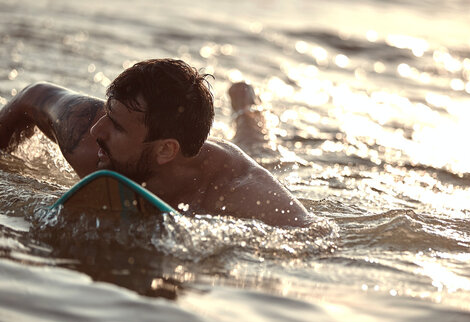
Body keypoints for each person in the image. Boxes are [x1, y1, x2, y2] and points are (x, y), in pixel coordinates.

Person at [0, 58, 311, 227]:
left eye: (116, 126)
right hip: (174, 134)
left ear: (165, 150)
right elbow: (33, 96)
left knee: (258, 145)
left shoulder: (240, 194)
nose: (96, 130)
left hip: (229, 160)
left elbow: (316, 238)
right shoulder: (90, 140)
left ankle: (245, 102)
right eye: (106, 114)